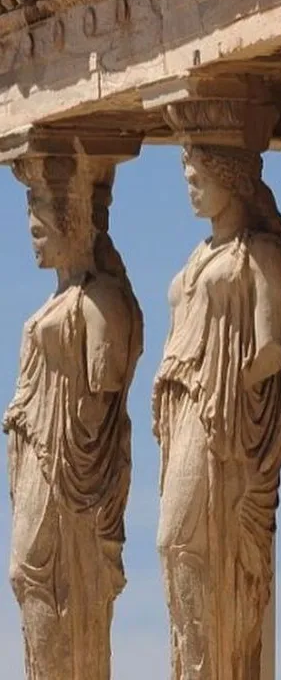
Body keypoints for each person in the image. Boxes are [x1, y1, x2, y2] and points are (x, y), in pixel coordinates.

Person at [153, 143, 281, 680]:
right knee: (174, 548)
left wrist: (221, 388)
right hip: (183, 412)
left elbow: (270, 351)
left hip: (221, 417)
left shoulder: (262, 254)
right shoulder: (199, 255)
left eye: (199, 176)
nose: (190, 186)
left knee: (183, 541)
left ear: (230, 177)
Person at [4, 155, 143, 680]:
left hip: (67, 469)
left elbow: (102, 392)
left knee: (43, 577)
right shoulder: (64, 297)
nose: (33, 237)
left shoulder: (100, 298)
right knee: (28, 580)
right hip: (39, 455)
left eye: (42, 225)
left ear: (71, 221)